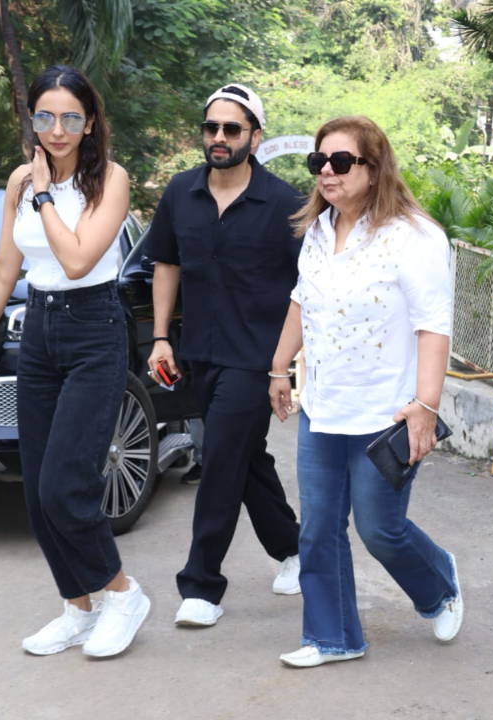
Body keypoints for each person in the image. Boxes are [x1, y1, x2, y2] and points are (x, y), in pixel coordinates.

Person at [0, 65, 149, 658]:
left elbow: (76, 259)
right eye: (45, 116)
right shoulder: (18, 180)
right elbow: (2, 272)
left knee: (68, 486)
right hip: (38, 333)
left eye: (70, 117)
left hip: (95, 329)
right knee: (38, 493)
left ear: (89, 122)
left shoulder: (109, 180)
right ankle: (79, 608)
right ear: (32, 119)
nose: (57, 129)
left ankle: (123, 593)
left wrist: (43, 194)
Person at [268, 115, 463, 668]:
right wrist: (279, 368)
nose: (327, 171)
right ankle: (332, 638)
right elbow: (302, 302)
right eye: (319, 162)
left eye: (341, 161)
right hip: (324, 408)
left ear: (374, 168)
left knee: (382, 529)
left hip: (389, 413)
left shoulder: (416, 237)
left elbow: (433, 325)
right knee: (319, 531)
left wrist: (425, 407)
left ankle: (440, 583)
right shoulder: (318, 232)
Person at [142, 84, 305, 628]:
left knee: (217, 459)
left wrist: (288, 363)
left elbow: (312, 287)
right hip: (198, 353)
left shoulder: (285, 204)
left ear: (254, 137)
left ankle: (202, 584)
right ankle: (297, 549)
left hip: (256, 358)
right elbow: (165, 263)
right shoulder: (180, 192)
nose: (218, 138)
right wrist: (161, 337)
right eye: (211, 128)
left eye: (231, 129)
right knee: (244, 458)